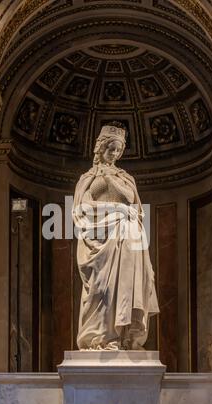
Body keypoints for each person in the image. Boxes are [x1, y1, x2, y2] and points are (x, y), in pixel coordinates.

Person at [73, 125, 159, 350]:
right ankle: (101, 338)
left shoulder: (124, 177)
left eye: (118, 150)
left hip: (127, 238)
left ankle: (125, 338)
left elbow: (130, 198)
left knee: (127, 287)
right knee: (101, 288)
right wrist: (117, 210)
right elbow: (83, 207)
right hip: (98, 239)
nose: (114, 154)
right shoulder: (87, 178)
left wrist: (110, 178)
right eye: (111, 149)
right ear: (100, 148)